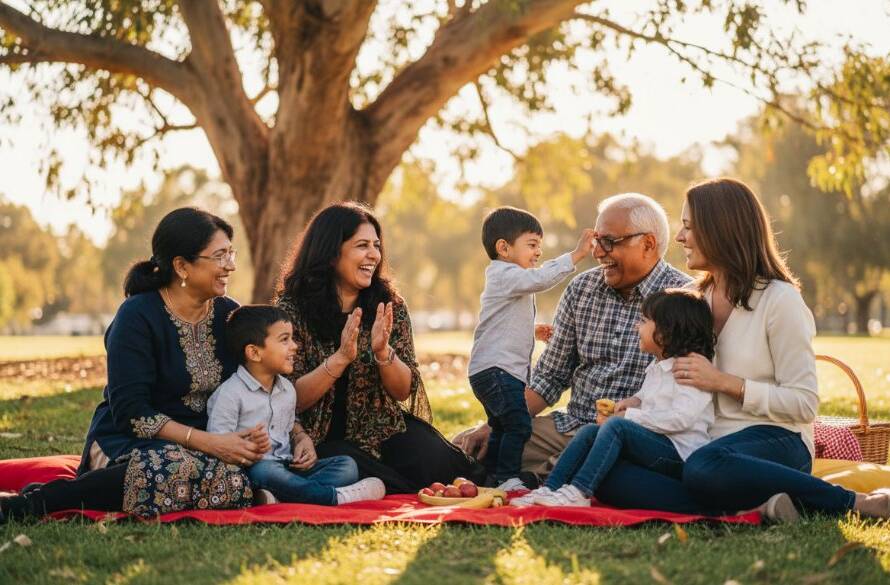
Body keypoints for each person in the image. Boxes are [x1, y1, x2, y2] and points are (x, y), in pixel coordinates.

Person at [595, 177, 890, 520]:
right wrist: (633, 409)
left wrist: (725, 382)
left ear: (721, 230)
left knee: (705, 468)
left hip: (775, 439)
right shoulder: (693, 299)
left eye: (688, 227)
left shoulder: (780, 300)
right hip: (705, 443)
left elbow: (805, 404)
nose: (679, 237)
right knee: (608, 472)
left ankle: (854, 502)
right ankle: (755, 506)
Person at [1, 208, 266, 522]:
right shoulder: (137, 316)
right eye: (220, 256)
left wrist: (255, 438)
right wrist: (210, 444)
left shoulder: (230, 315)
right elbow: (132, 412)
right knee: (168, 468)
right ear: (182, 266)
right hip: (128, 443)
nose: (230, 266)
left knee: (239, 479)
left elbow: (256, 381)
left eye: (231, 254)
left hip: (204, 449)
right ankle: (36, 503)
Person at [454, 194, 692, 479]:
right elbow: (549, 377)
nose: (598, 253)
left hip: (635, 436)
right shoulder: (582, 289)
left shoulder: (684, 299)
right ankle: (545, 472)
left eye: (608, 242)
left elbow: (682, 396)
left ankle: (548, 474)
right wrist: (493, 426)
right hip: (569, 426)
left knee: (601, 465)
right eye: (595, 242)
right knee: (470, 449)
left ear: (648, 244)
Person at [275, 202, 485, 493]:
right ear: (331, 252)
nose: (374, 254)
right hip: (316, 437)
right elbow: (289, 397)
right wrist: (339, 360)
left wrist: (384, 354)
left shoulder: (389, 305)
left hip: (381, 429)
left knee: (444, 467)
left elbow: (402, 391)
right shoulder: (292, 308)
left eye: (376, 245)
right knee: (346, 463)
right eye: (362, 245)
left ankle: (378, 485)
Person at [512, 289, 716, 507]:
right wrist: (632, 402)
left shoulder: (691, 371)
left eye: (644, 321)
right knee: (590, 431)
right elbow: (646, 396)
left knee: (618, 426)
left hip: (679, 454)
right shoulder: (658, 365)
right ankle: (551, 487)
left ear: (667, 332)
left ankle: (579, 491)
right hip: (657, 444)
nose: (637, 326)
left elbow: (681, 419)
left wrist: (629, 416)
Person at [468, 206, 595, 490]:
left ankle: (490, 476)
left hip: (493, 371)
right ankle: (508, 478)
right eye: (532, 245)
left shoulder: (509, 278)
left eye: (540, 245)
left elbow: (502, 320)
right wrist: (575, 256)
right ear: (503, 247)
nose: (538, 252)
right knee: (519, 426)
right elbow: (538, 280)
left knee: (501, 427)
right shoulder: (505, 273)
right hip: (498, 372)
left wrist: (531, 331)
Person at [207, 305, 386, 505]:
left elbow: (289, 427)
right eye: (285, 340)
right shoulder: (230, 394)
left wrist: (301, 441)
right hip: (254, 470)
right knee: (266, 470)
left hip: (287, 467)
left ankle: (282, 497)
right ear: (254, 352)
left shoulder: (287, 389)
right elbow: (217, 448)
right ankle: (334, 497)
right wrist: (247, 448)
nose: (294, 346)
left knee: (346, 465)